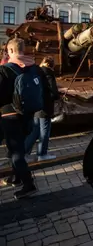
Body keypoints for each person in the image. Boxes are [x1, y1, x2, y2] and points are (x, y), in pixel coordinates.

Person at [0, 38, 38, 199]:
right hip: (28, 114)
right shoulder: (34, 67)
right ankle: (16, 177)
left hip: (9, 115)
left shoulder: (5, 70)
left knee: (16, 153)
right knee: (18, 148)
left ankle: (28, 185)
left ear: (10, 51)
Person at [25, 56, 60, 161]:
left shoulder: (36, 72)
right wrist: (56, 97)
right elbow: (53, 91)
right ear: (51, 65)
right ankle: (42, 154)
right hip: (45, 107)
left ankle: (25, 153)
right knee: (45, 132)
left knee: (34, 131)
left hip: (36, 106)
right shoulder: (48, 73)